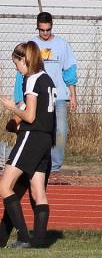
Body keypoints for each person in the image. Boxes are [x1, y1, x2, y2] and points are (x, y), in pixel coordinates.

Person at [1, 42, 56, 248]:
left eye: (17, 63)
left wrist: (11, 108)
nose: (17, 68)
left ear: (24, 60)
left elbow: (31, 117)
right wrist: (16, 116)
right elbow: (36, 108)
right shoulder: (46, 78)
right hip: (45, 139)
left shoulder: (31, 79)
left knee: (4, 186)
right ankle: (40, 242)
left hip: (31, 137)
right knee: (37, 191)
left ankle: (23, 237)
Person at [14, 14, 77, 173]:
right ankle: (36, 162)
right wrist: (18, 99)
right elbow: (20, 73)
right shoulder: (31, 45)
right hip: (36, 97)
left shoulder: (62, 45)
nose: (45, 33)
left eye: (48, 30)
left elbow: (69, 71)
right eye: (42, 30)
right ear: (37, 28)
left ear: (52, 27)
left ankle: (54, 167)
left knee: (60, 130)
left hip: (58, 97)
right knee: (38, 131)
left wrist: (73, 95)